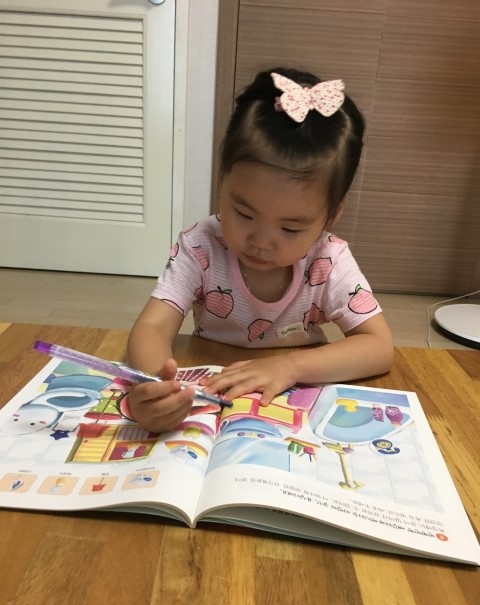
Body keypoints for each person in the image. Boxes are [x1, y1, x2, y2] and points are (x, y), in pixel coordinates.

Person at [127, 67, 394, 433]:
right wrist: (155, 386)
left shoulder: (328, 260)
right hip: (213, 391)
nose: (261, 242)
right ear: (222, 181)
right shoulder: (202, 245)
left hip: (290, 403)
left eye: (290, 228)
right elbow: (153, 326)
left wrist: (290, 367)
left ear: (331, 215)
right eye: (244, 213)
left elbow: (379, 347)